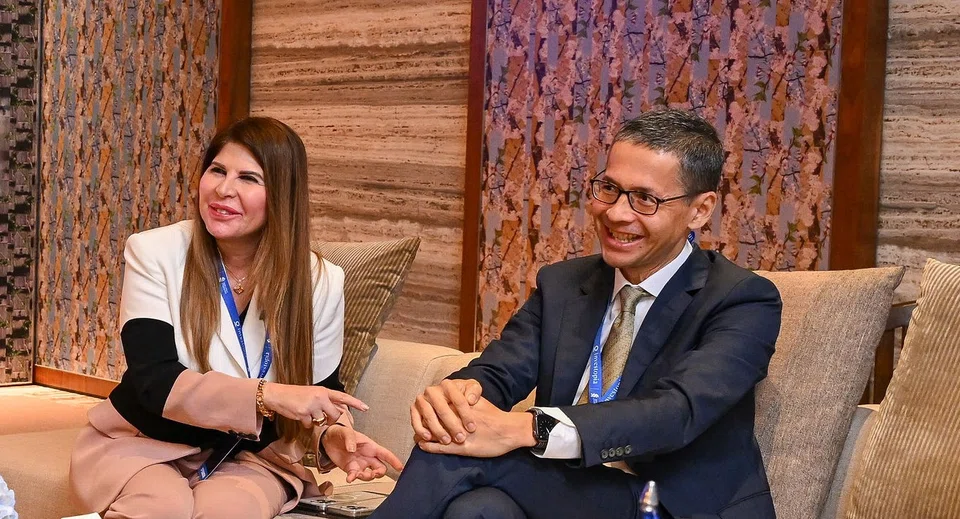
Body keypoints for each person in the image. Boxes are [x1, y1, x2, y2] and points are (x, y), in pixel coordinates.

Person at [371, 109, 782, 519]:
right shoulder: (565, 285)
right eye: (609, 188)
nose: (617, 213)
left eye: (645, 199)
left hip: (668, 502)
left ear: (700, 210)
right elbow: (499, 371)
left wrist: (526, 428)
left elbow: (676, 412)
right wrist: (458, 398)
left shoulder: (743, 300)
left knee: (456, 455)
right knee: (476, 509)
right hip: (570, 490)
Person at [69, 117, 403, 519]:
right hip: (141, 442)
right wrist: (267, 395)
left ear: (282, 194)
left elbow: (321, 392)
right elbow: (154, 381)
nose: (224, 189)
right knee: (160, 510)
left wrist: (332, 438)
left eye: (248, 178)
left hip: (249, 457)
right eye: (217, 170)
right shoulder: (153, 252)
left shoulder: (321, 281)